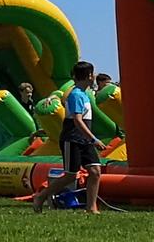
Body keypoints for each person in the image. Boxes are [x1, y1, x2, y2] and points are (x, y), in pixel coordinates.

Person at [33, 62, 104, 213]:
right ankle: (41, 196)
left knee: (95, 171)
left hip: (84, 139)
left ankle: (91, 207)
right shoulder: (76, 94)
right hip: (73, 139)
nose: (95, 77)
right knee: (71, 175)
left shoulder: (83, 94)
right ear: (89, 76)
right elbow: (77, 120)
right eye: (93, 74)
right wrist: (94, 139)